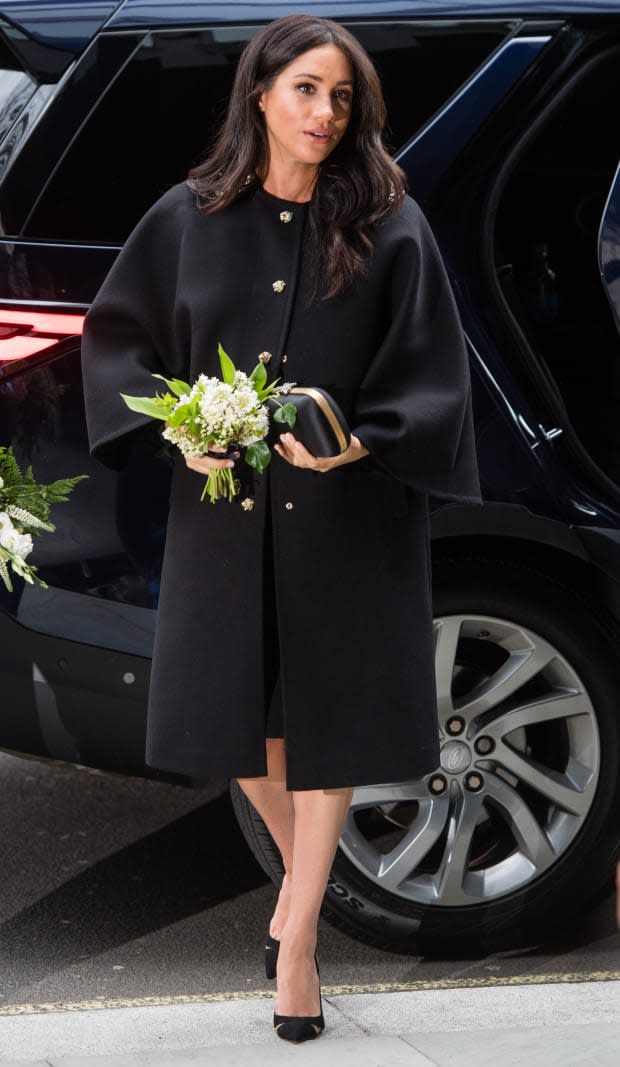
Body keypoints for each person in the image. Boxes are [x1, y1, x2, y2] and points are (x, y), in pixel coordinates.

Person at [81, 13, 481, 1044]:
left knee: (327, 716)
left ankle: (296, 935)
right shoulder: (185, 217)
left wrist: (363, 441)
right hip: (224, 521)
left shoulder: (388, 220)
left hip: (349, 519)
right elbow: (121, 345)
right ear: (258, 93)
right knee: (238, 723)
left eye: (340, 96)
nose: (323, 112)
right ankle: (298, 898)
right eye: (305, 89)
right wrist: (179, 435)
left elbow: (435, 370)